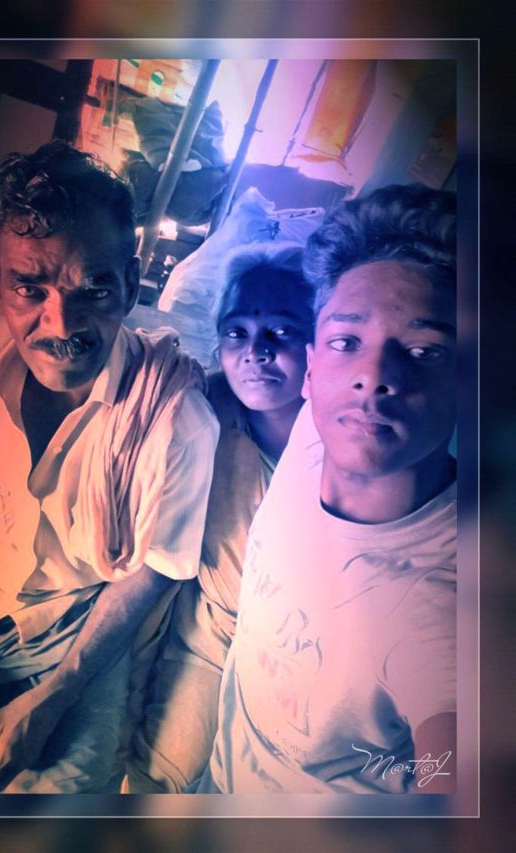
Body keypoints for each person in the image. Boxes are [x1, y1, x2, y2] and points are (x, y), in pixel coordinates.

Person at [0, 142, 219, 794]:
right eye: (29, 288)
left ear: (132, 282)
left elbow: (154, 568)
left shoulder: (176, 419)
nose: (61, 324)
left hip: (84, 635)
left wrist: (56, 695)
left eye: (94, 288)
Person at [199, 183, 458, 794]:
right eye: (347, 343)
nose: (373, 377)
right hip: (218, 771)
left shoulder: (447, 607)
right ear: (313, 368)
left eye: (424, 351)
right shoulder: (312, 434)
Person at [126, 242, 316, 792]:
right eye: (237, 332)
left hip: (304, 647)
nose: (256, 351)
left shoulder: (347, 435)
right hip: (212, 631)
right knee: (162, 775)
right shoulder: (200, 408)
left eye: (281, 331)